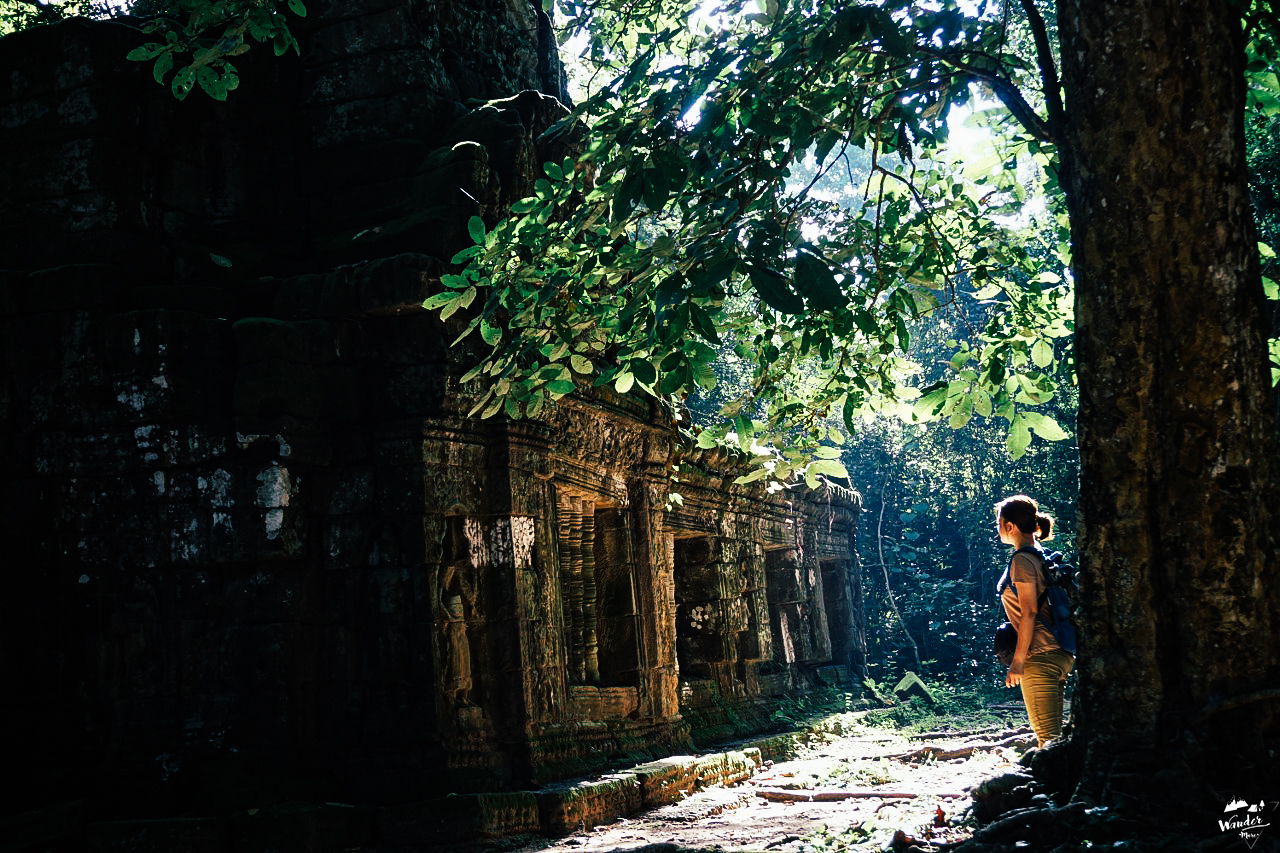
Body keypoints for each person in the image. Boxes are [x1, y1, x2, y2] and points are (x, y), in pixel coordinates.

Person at [995, 494, 1074, 747]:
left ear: (1010, 526)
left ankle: (1057, 786)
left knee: (1048, 740)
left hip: (1040, 656)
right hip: (1059, 652)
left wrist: (1018, 662)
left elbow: (1028, 612)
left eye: (999, 523)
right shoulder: (1041, 553)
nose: (997, 529)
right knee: (1056, 739)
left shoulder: (1022, 560)